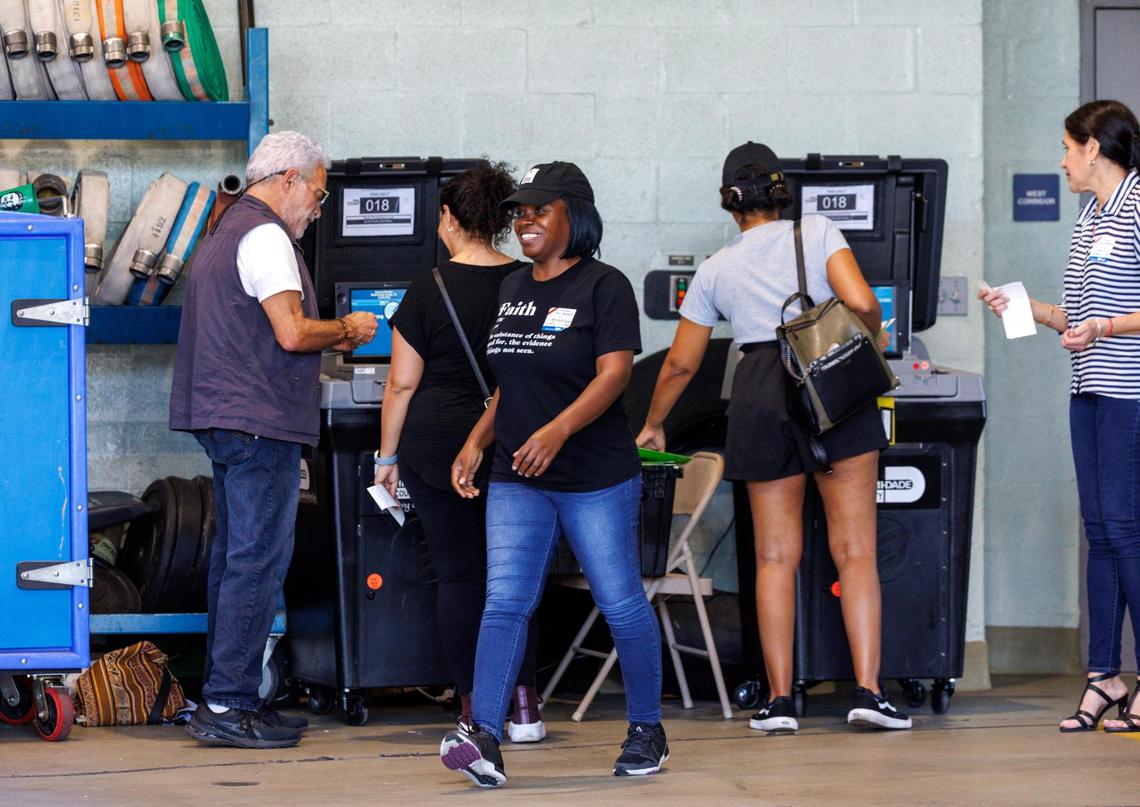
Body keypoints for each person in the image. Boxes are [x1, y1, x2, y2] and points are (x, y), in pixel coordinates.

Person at [635, 142, 912, 734]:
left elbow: (681, 364)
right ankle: (868, 692)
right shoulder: (815, 231)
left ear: (731, 203)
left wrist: (656, 420)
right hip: (831, 382)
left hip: (760, 389)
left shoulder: (715, 268)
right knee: (856, 550)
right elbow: (862, 301)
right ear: (782, 191)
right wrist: (871, 337)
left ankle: (780, 702)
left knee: (774, 557)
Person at [437, 162, 667, 787]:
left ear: (576, 215)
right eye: (520, 211)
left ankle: (647, 728)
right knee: (505, 600)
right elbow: (511, 383)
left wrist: (558, 430)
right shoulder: (513, 284)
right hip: (518, 474)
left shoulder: (604, 286)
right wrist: (475, 442)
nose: (526, 220)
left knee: (619, 602)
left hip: (593, 476)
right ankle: (484, 732)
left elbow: (614, 375)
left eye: (541, 208)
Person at [170, 131, 378, 749]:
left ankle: (225, 697)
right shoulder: (265, 236)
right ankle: (230, 703)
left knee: (238, 558)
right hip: (258, 421)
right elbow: (289, 333)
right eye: (316, 194)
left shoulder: (226, 231)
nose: (318, 209)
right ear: (286, 178)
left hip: (228, 418)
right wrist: (346, 328)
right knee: (258, 560)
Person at [980, 99, 1140, 733]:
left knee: (1125, 530)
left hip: (1130, 390)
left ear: (1094, 149)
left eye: (1067, 149)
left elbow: (1113, 320)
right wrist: (1025, 309)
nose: (1063, 161)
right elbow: (1079, 320)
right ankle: (1104, 678)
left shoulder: (1136, 203)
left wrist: (1103, 326)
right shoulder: (1088, 214)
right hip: (1088, 387)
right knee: (1099, 531)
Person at [373, 161, 545, 743]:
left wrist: (385, 457)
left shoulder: (429, 288)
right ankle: (524, 706)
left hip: (436, 447)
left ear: (447, 218)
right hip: (516, 443)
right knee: (515, 579)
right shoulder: (528, 282)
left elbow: (400, 384)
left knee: (459, 578)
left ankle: (476, 710)